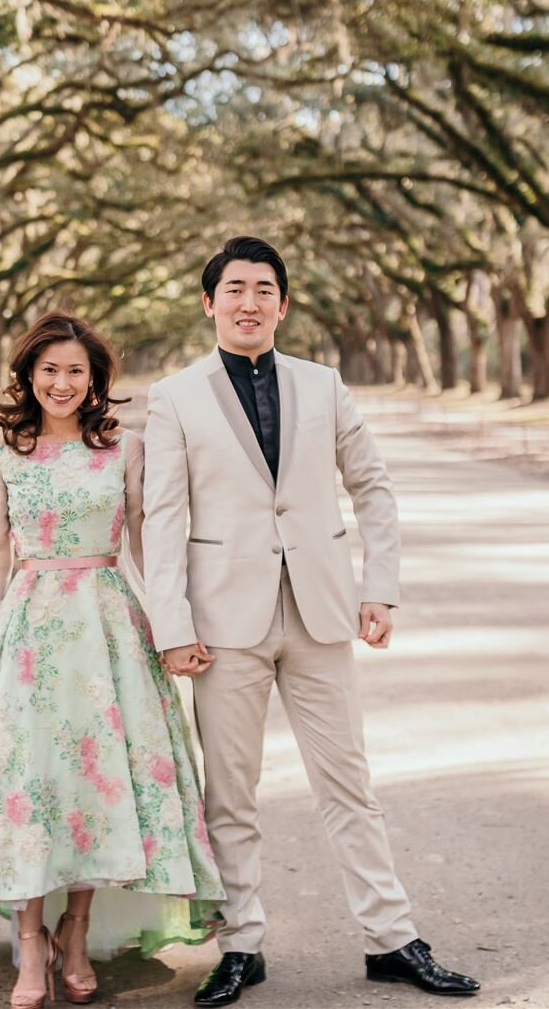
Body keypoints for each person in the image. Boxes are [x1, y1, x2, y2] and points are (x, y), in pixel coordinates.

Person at [142, 236, 480, 1004]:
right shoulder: (175, 395)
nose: (249, 300)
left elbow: (374, 488)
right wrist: (171, 622)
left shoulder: (324, 384)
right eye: (235, 287)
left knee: (349, 784)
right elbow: (161, 518)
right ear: (209, 301)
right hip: (223, 624)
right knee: (230, 793)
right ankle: (242, 945)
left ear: (284, 304)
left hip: (322, 612)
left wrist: (380, 587)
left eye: (265, 288)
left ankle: (392, 939)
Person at [0, 311, 224, 1008]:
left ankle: (77, 930)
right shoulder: (3, 454)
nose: (62, 382)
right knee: (32, 783)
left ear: (96, 381)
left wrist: (177, 624)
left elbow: (149, 541)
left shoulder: (123, 448)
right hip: (29, 630)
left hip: (108, 626)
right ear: (29, 374)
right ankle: (30, 943)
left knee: (96, 779)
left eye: (76, 371)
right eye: (50, 369)